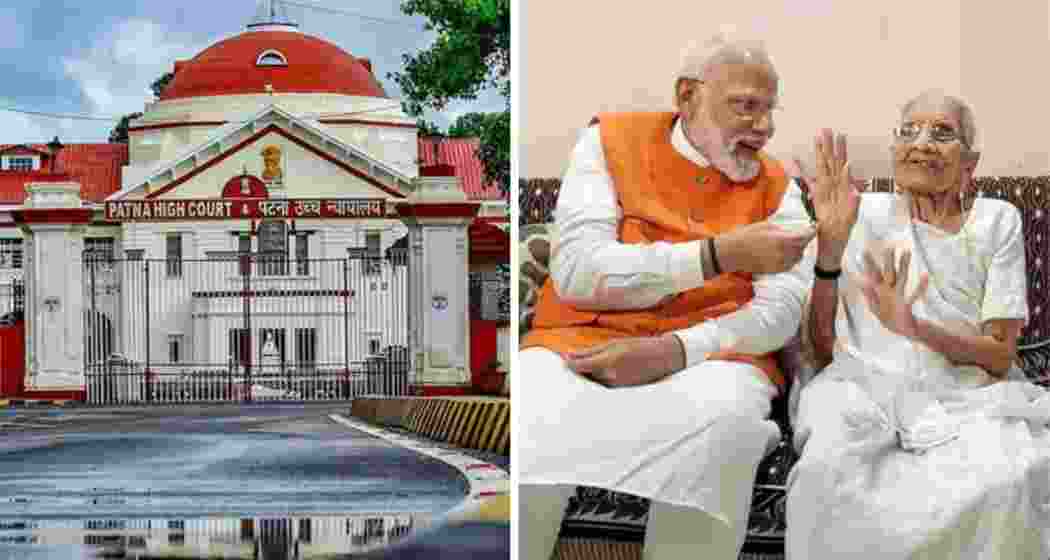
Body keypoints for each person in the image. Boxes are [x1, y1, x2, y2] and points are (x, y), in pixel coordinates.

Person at [517, 34, 819, 559]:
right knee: (529, 410)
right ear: (687, 97)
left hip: (715, 356)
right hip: (579, 341)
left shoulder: (779, 187)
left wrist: (674, 351)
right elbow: (577, 271)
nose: (764, 127)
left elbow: (783, 309)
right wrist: (715, 256)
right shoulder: (607, 144)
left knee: (726, 425)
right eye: (745, 106)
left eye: (769, 111)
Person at [785, 91, 1050, 558]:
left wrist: (916, 328)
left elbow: (999, 354)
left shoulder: (995, 220)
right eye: (909, 131)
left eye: (942, 133)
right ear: (894, 151)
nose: (922, 143)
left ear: (970, 163)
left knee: (1008, 477)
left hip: (969, 394)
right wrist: (830, 246)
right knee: (825, 473)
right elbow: (820, 350)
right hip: (859, 387)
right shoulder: (859, 212)